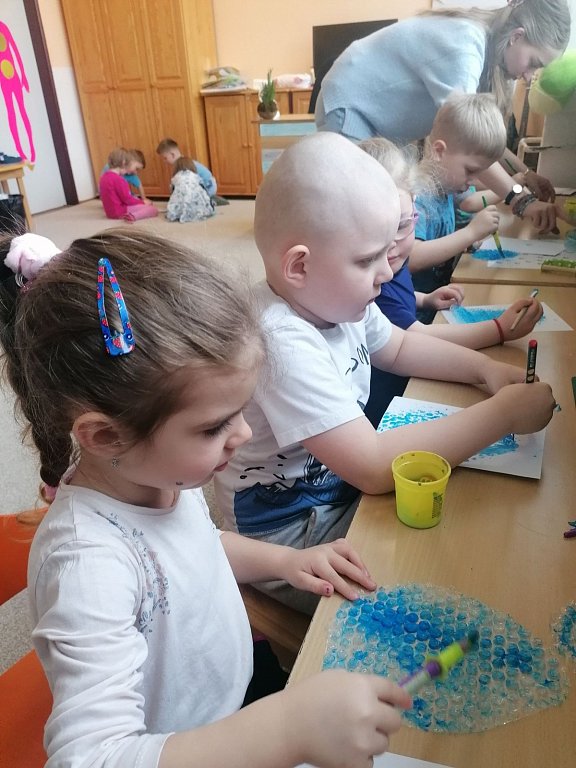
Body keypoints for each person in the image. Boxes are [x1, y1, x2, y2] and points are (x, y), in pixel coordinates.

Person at [0, 229, 411, 768]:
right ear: (104, 436)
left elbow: (195, 545)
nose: (244, 435)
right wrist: (286, 729)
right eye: (215, 426)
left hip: (232, 698)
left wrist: (285, 561)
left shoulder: (157, 473)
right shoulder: (86, 565)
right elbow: (91, 757)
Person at [213, 133, 556, 614]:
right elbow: (375, 467)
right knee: (440, 573)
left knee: (472, 517)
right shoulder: (280, 341)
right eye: (367, 259)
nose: (387, 272)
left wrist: (486, 371)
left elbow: (400, 346)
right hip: (290, 533)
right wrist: (503, 415)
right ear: (299, 267)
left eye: (387, 252)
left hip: (338, 488)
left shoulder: (335, 298)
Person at [315, 0, 571, 233]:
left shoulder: (483, 48)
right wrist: (522, 200)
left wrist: (526, 173)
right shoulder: (465, 44)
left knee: (386, 214)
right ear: (517, 37)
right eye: (534, 63)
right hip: (350, 105)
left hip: (379, 120)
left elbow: (483, 143)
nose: (529, 75)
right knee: (358, 213)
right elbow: (470, 140)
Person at [359, 135, 543, 428]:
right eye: (378, 234)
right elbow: (412, 336)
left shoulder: (380, 277)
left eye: (405, 224)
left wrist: (423, 298)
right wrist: (497, 330)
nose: (390, 247)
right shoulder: (372, 282)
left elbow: (400, 336)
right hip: (386, 404)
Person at [406, 93, 507, 321]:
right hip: (411, 317)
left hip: (434, 308)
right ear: (439, 151)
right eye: (470, 170)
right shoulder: (418, 195)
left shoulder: (446, 191)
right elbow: (412, 257)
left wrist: (464, 241)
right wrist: (469, 233)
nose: (474, 180)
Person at [156, 137, 228, 205]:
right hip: (210, 184)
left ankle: (210, 199)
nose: (164, 161)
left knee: (192, 201)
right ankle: (208, 197)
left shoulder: (183, 165)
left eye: (165, 158)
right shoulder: (185, 162)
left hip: (208, 186)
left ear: (172, 155)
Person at [98, 147, 158, 221]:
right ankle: (133, 216)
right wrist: (142, 202)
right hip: (120, 211)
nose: (127, 171)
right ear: (123, 163)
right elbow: (128, 200)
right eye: (127, 166)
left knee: (137, 202)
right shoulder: (120, 180)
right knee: (152, 209)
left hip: (109, 213)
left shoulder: (103, 177)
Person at [166, 156, 215, 222]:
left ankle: (180, 212)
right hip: (199, 207)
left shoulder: (176, 178)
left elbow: (172, 191)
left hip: (182, 206)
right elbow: (203, 188)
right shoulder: (195, 176)